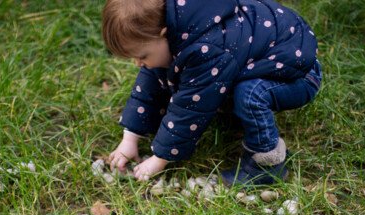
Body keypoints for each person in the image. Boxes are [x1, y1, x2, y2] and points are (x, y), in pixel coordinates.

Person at [103, 0, 322, 186]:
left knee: (249, 94)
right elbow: (151, 84)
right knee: (175, 73)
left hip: (297, 75)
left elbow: (190, 108)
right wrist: (130, 138)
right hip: (264, 58)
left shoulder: (207, 48)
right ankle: (235, 112)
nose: (137, 63)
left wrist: (159, 159)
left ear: (164, 34)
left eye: (142, 55)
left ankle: (267, 164)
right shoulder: (176, 29)